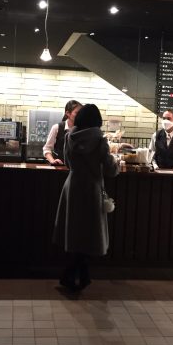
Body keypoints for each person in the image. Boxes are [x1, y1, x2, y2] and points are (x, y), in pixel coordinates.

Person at [53, 104, 119, 292]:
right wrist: (116, 162)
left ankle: (81, 276)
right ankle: (74, 276)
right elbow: (110, 170)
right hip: (91, 189)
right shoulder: (100, 140)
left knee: (74, 231)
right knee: (88, 233)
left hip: (72, 187)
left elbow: (67, 163)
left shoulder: (70, 136)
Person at [43, 99, 82, 165]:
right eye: (77, 113)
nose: (80, 115)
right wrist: (53, 161)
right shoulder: (57, 127)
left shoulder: (82, 129)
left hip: (77, 168)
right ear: (68, 113)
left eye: (81, 113)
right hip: (59, 167)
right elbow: (47, 148)